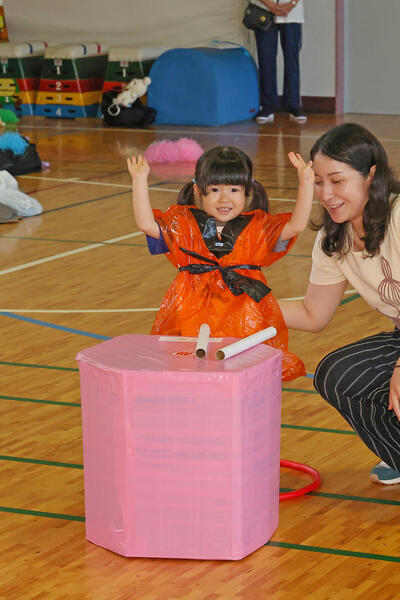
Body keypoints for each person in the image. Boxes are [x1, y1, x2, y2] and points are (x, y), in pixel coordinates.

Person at [278, 123, 400, 484]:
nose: (326, 193)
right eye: (318, 181)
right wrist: (239, 306)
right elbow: (313, 314)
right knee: (338, 373)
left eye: (337, 180)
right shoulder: (335, 238)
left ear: (371, 175)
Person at [127, 145, 314, 381]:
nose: (224, 198)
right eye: (214, 189)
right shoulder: (184, 224)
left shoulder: (258, 228)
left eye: (234, 189)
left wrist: (306, 184)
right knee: (192, 368)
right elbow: (147, 224)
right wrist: (140, 182)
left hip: (243, 316)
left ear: (248, 193)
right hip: (192, 313)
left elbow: (296, 226)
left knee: (241, 371)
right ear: (198, 191)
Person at [251, 0, 306, 124]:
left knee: (292, 60)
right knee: (266, 60)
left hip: (292, 13)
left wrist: (291, 4)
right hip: (263, 10)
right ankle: (267, 106)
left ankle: (294, 105)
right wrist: (271, 5)